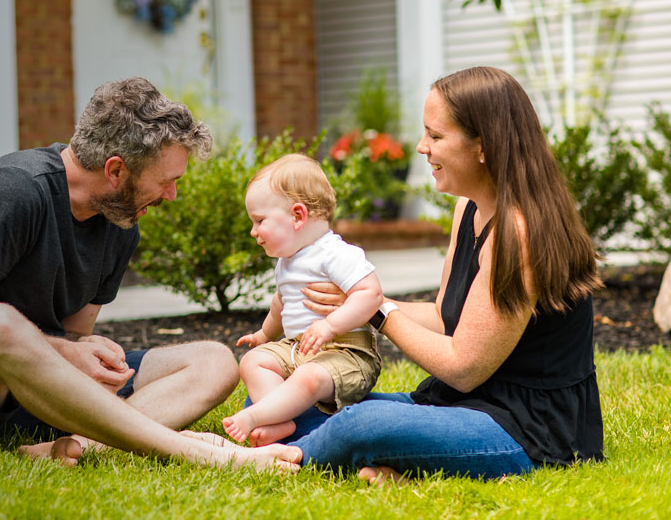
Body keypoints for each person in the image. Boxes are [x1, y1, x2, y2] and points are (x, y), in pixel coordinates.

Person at [188, 66, 605, 482]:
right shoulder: (471, 209)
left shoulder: (519, 232)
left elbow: (464, 366)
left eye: (436, 136)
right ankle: (395, 466)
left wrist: (378, 312)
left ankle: (270, 459)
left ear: (483, 145)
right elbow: (446, 317)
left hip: (526, 430)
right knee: (288, 398)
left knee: (362, 423)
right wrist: (354, 303)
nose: (422, 147)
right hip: (461, 406)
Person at [0, 76, 296, 472]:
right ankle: (199, 453)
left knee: (214, 360)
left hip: (32, 392)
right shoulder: (15, 191)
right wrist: (69, 353)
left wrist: (88, 356)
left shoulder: (120, 219)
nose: (173, 194)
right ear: (115, 170)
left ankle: (76, 446)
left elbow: (72, 337)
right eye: (166, 181)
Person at [223, 154, 384, 446]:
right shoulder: (287, 261)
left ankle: (258, 416)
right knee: (252, 362)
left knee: (308, 377)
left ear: (298, 216)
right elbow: (280, 304)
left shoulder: (335, 253)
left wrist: (330, 326)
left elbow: (370, 294)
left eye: (260, 221)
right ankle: (279, 421)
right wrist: (264, 334)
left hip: (345, 352)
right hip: (299, 348)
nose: (253, 231)